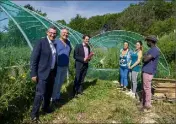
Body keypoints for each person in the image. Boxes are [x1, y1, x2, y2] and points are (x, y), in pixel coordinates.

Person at [30, 26, 57, 122]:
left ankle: (45, 108)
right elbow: (34, 59)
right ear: (47, 32)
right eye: (51, 32)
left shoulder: (54, 44)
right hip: (42, 73)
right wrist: (33, 74)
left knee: (48, 92)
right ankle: (34, 114)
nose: (53, 35)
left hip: (51, 73)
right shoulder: (41, 42)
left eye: (54, 33)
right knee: (40, 94)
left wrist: (54, 72)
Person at [51, 28, 72, 103]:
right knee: (56, 83)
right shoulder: (56, 42)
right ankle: (53, 98)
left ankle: (57, 96)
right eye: (64, 32)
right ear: (60, 33)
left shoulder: (68, 43)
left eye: (67, 33)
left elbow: (69, 52)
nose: (66, 34)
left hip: (65, 66)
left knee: (61, 82)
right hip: (57, 66)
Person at [142, 35, 160, 111]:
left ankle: (148, 104)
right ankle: (144, 102)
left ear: (151, 41)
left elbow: (145, 59)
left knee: (147, 88)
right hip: (146, 70)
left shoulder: (155, 50)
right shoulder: (151, 50)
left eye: (147, 41)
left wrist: (145, 56)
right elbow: (144, 58)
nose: (147, 43)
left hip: (148, 71)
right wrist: (145, 56)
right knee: (145, 87)